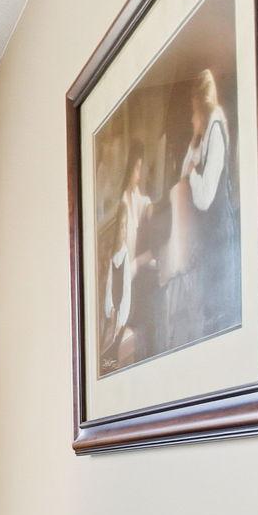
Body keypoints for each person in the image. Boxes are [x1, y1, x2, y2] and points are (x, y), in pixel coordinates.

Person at [161, 69, 242, 351]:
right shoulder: (205, 134)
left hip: (219, 235)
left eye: (195, 110)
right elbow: (185, 171)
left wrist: (195, 173)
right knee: (206, 315)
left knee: (217, 316)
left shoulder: (217, 132)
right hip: (209, 240)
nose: (192, 116)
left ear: (202, 106)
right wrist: (194, 142)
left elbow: (205, 197)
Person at [102, 139, 155, 371]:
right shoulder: (124, 204)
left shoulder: (136, 197)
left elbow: (144, 204)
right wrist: (138, 262)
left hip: (134, 274)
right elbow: (121, 270)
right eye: (136, 168)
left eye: (139, 168)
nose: (138, 173)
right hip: (128, 277)